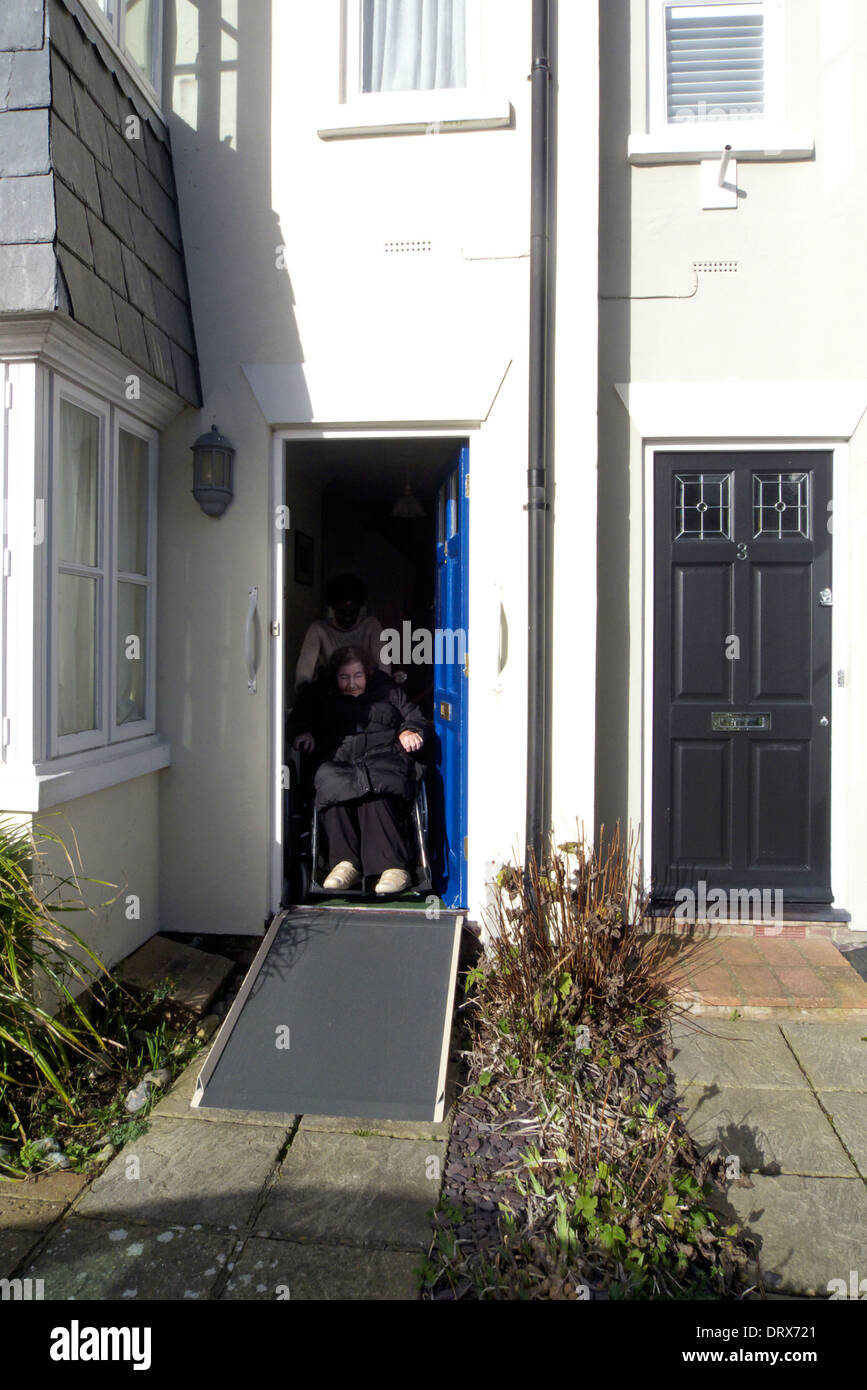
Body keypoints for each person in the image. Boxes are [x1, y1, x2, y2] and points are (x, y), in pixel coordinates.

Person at [289, 645, 426, 895]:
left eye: (357, 676)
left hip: (383, 757)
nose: (352, 684)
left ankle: (394, 868)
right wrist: (303, 733)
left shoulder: (389, 692)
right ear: (334, 677)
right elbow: (297, 720)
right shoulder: (318, 695)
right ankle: (344, 865)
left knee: (378, 787)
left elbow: (413, 716)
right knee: (334, 786)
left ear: (368, 674)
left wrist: (409, 731)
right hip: (338, 760)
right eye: (344, 677)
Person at [294, 574, 390, 689]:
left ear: (360, 608)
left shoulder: (371, 626)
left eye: (352, 612)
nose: (347, 618)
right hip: (330, 695)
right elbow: (304, 674)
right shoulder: (318, 629)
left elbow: (384, 669)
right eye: (342, 612)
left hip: (365, 694)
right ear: (332, 609)